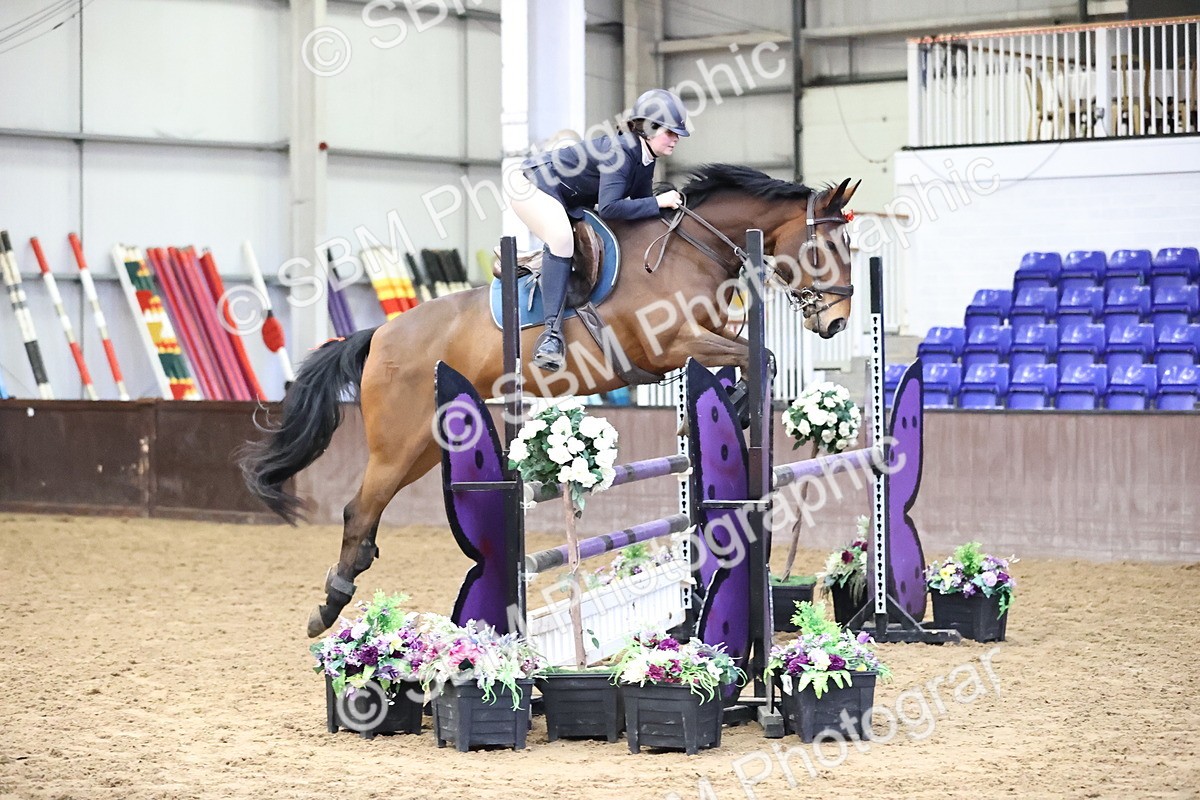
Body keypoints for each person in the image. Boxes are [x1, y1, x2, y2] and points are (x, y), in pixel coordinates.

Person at [506, 88, 690, 372]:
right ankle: (551, 337)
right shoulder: (621, 150)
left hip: (564, 195)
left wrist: (664, 207)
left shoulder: (645, 157)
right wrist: (658, 201)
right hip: (532, 184)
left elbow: (638, 209)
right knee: (562, 239)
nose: (677, 138)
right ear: (651, 129)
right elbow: (610, 208)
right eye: (671, 132)